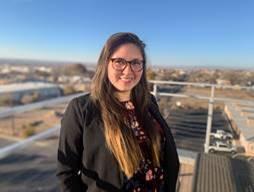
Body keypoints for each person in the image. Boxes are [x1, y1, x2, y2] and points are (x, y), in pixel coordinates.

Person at [57, 32, 179, 192]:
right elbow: (66, 173)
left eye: (136, 62)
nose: (128, 71)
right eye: (119, 62)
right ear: (105, 63)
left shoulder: (148, 102)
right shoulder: (81, 109)